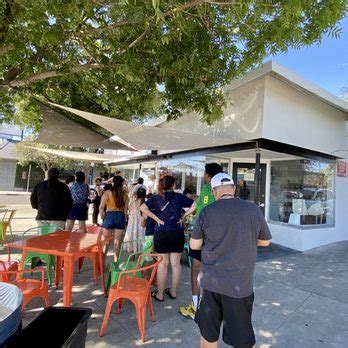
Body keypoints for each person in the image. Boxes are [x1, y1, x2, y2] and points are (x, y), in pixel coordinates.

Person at [190, 173, 272, 348]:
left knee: (208, 337)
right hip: (240, 286)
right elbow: (265, 242)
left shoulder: (206, 211)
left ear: (213, 192)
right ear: (234, 189)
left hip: (210, 284)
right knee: (243, 341)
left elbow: (194, 245)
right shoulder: (252, 209)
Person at [179, 163, 223, 319]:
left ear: (208, 175)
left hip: (203, 236)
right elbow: (197, 206)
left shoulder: (207, 188)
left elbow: (200, 209)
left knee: (196, 271)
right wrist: (185, 216)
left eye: (204, 173)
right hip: (219, 238)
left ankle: (196, 307)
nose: (203, 176)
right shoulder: (223, 191)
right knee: (213, 271)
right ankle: (212, 307)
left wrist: (185, 217)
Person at [140, 175, 193, 302]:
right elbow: (195, 204)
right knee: (175, 264)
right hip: (177, 232)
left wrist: (156, 219)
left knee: (163, 264)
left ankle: (160, 294)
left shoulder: (157, 198)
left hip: (162, 233)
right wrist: (184, 216)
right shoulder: (179, 197)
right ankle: (173, 292)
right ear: (173, 185)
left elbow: (142, 208)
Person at [99, 175, 129, 261]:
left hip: (109, 216)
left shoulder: (107, 192)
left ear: (113, 182)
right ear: (122, 183)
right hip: (120, 217)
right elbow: (125, 211)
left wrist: (102, 217)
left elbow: (101, 207)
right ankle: (115, 264)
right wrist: (125, 220)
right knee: (117, 242)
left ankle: (102, 265)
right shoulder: (125, 194)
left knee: (106, 242)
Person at [124, 187, 147, 252]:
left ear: (137, 194)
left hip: (132, 227)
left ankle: (132, 260)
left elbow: (129, 209)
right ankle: (139, 261)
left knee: (132, 247)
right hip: (142, 225)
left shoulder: (133, 203)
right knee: (140, 245)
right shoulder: (146, 203)